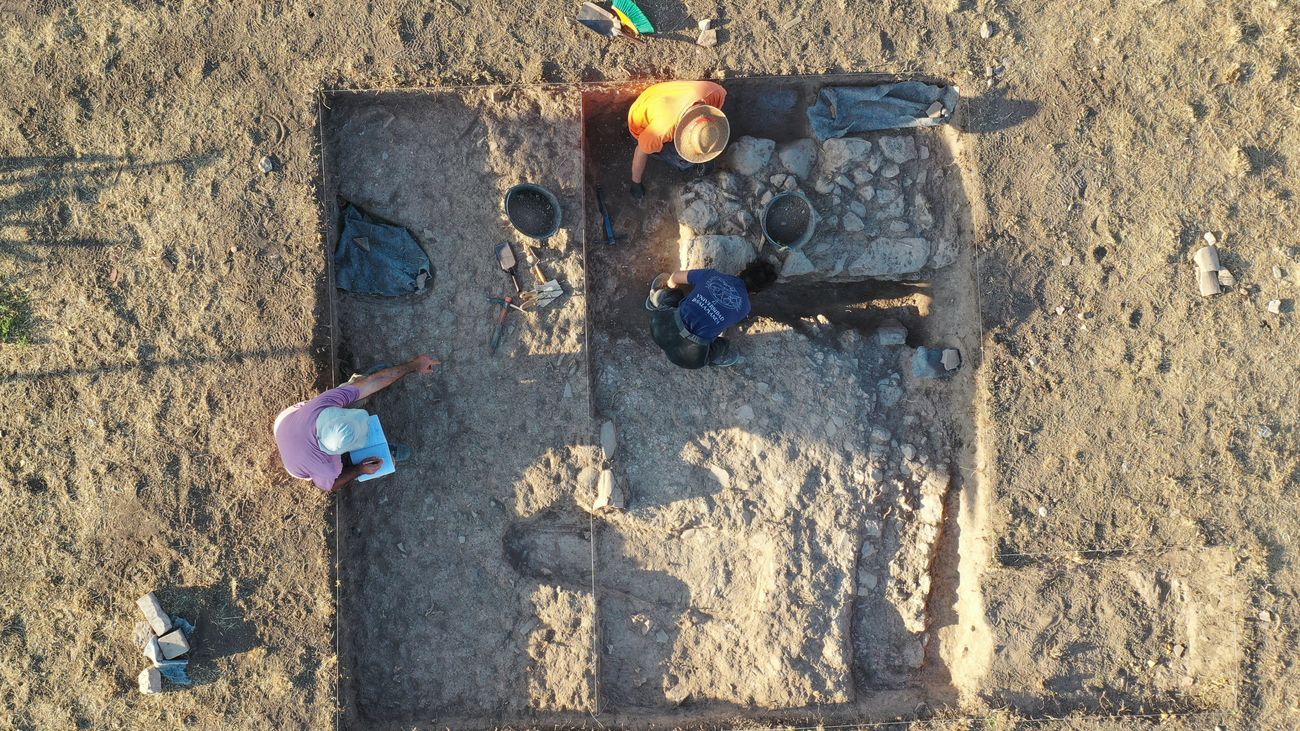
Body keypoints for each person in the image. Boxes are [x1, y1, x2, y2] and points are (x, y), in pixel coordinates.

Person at [273, 355, 439, 492]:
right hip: (300, 461)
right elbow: (330, 485)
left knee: (363, 387)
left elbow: (376, 381)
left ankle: (359, 383)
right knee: (351, 462)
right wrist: (359, 469)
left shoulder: (324, 402)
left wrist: (415, 365)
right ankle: (377, 451)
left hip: (285, 422)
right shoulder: (326, 468)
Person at [645, 261, 778, 369]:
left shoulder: (711, 275)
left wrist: (670, 285)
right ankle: (713, 359)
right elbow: (723, 322)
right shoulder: (745, 308)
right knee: (723, 345)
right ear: (755, 293)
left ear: (740, 272)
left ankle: (656, 297)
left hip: (658, 328)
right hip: (689, 359)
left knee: (675, 295)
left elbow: (675, 276)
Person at [627, 80, 729, 200]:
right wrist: (636, 183)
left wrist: (705, 147)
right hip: (639, 121)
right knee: (684, 162)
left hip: (660, 97)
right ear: (681, 133)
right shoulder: (661, 130)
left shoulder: (715, 93)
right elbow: (640, 151)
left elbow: (707, 130)